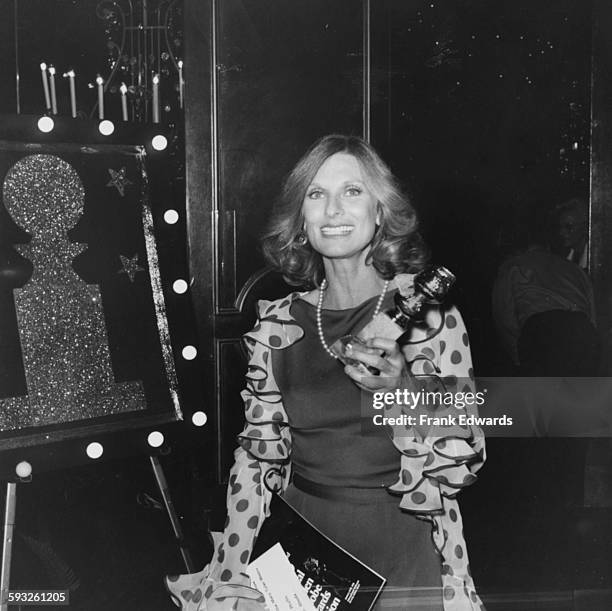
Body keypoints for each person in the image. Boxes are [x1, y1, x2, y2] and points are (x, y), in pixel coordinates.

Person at [165, 135, 486, 610]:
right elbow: (256, 462)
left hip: (401, 549)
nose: (333, 210)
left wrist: (400, 387)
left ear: (381, 212)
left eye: (352, 192)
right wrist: (231, 575)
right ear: (301, 220)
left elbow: (467, 456)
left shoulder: (430, 316)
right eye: (316, 195)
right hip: (301, 546)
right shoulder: (277, 324)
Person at [553, 197, 589, 270]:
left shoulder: (597, 259)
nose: (561, 233)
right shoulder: (560, 257)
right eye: (561, 226)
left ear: (585, 227)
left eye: (568, 227)